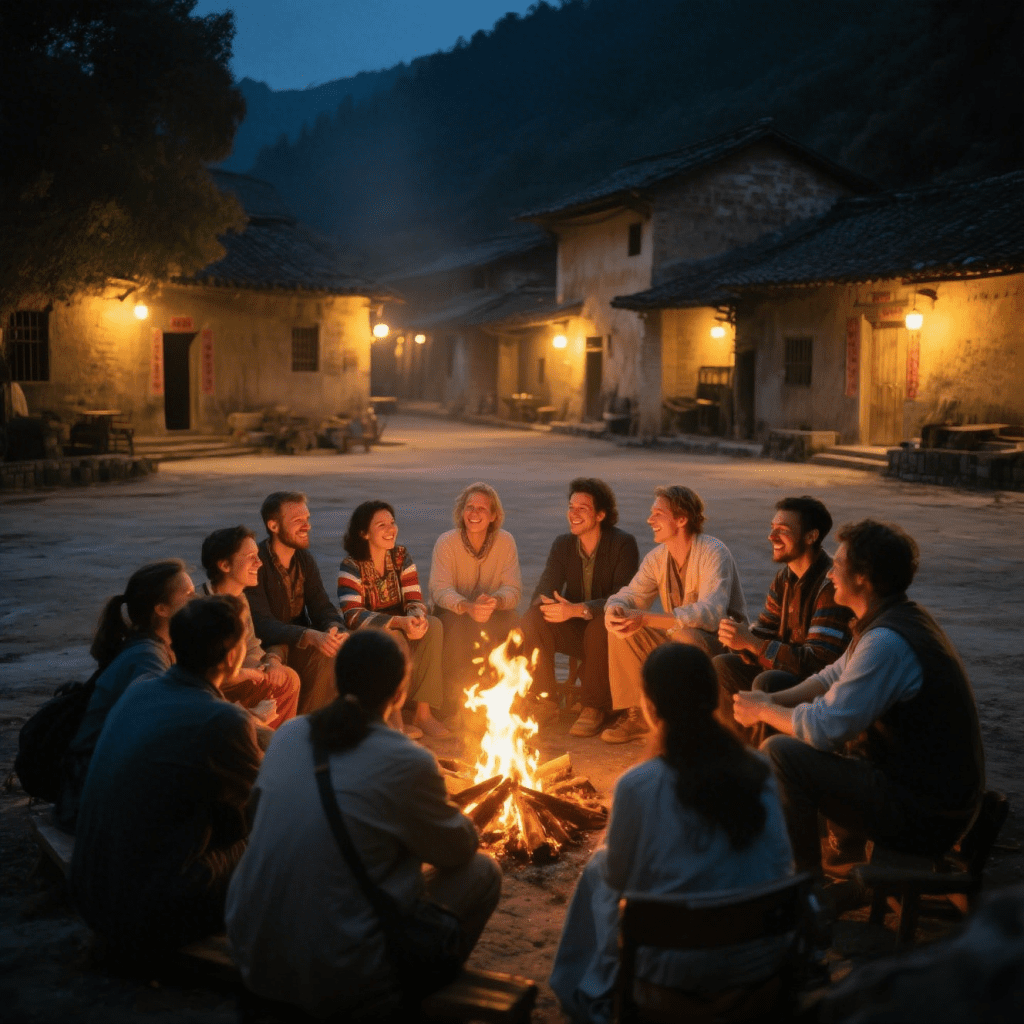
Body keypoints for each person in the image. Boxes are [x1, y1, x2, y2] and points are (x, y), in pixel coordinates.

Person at [226, 630, 502, 1020]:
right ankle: (405, 998)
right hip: (339, 976)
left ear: (339, 681)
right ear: (400, 693)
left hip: (254, 956)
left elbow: (257, 818)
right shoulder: (405, 759)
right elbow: (458, 849)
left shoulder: (288, 735)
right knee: (482, 872)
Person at [549, 643, 794, 1024]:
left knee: (599, 869)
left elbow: (617, 882)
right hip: (757, 965)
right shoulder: (758, 770)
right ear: (715, 698)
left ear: (649, 706)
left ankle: (578, 987)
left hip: (672, 976)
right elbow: (781, 864)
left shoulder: (638, 784)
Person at [734, 520, 986, 882]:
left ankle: (801, 885)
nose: (830, 573)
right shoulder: (890, 617)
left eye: (838, 565)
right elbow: (829, 677)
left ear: (863, 577)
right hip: (911, 787)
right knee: (771, 683)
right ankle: (777, 836)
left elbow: (824, 729)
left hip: (925, 812)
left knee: (781, 754)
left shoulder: (886, 642)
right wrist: (768, 698)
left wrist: (764, 710)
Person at [70, 596, 262, 960]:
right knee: (278, 830)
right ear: (234, 655)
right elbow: (268, 805)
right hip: (150, 915)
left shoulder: (142, 688)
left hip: (89, 894)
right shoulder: (222, 721)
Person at [56, 559, 194, 832]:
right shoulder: (147, 657)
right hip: (91, 793)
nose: (197, 599)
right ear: (162, 609)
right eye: (188, 595)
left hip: (96, 779)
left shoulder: (151, 647)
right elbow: (163, 727)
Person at [601, 486, 746, 743]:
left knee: (686, 635)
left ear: (681, 519)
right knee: (622, 629)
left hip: (721, 647)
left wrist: (645, 618)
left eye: (658, 513)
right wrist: (615, 609)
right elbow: (631, 594)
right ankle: (640, 715)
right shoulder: (658, 557)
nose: (650, 520)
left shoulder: (714, 551)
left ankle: (694, 719)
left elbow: (711, 614)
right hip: (679, 639)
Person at [715, 496, 853, 744]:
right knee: (723, 665)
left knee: (769, 681)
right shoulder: (784, 578)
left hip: (819, 686)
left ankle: (766, 757)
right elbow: (766, 631)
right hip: (791, 668)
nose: (772, 537)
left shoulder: (831, 585)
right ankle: (738, 750)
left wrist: (753, 644)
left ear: (811, 537)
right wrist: (741, 639)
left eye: (783, 531)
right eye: (772, 529)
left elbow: (818, 663)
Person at [518, 478, 639, 737]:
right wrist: (548, 604)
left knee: (599, 623)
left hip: (610, 633)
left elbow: (624, 598)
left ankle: (593, 707)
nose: (573, 514)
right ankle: (546, 700)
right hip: (575, 633)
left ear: (601, 515)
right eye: (571, 507)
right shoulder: (562, 545)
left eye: (582, 508)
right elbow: (543, 589)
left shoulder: (623, 544)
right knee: (532, 619)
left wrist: (577, 609)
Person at [337, 500, 451, 739]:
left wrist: (417, 618)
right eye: (381, 525)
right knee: (394, 637)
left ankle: (423, 713)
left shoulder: (400, 556)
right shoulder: (351, 566)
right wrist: (399, 623)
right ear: (364, 533)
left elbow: (415, 599)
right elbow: (353, 615)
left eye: (392, 522)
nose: (391, 529)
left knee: (435, 626)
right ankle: (394, 716)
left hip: (401, 624)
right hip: (368, 637)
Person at [246, 491, 348, 714]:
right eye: (297, 521)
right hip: (267, 647)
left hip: (297, 643)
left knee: (344, 646)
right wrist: (308, 636)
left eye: (307, 519)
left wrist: (335, 630)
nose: (307, 526)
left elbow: (322, 606)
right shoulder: (257, 562)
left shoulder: (304, 559)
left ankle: (330, 722)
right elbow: (261, 623)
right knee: (322, 653)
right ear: (273, 526)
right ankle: (306, 729)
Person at [200, 526, 301, 737]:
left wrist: (267, 665)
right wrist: (252, 673)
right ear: (224, 565)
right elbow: (206, 671)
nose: (260, 563)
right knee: (284, 681)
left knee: (286, 677)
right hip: (209, 686)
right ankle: (260, 743)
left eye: (258, 556)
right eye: (251, 557)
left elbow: (252, 644)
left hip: (236, 675)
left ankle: (273, 741)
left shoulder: (240, 600)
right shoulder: (200, 608)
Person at [429, 482, 521, 701]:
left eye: (481, 509)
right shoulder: (447, 543)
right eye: (469, 507)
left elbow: (514, 589)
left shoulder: (506, 541)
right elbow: (439, 590)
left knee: (514, 622)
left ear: (493, 516)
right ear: (461, 512)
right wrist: (466, 606)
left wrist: (495, 601)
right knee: (458, 628)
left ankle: (510, 697)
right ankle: (455, 703)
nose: (474, 513)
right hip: (453, 612)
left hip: (492, 610)